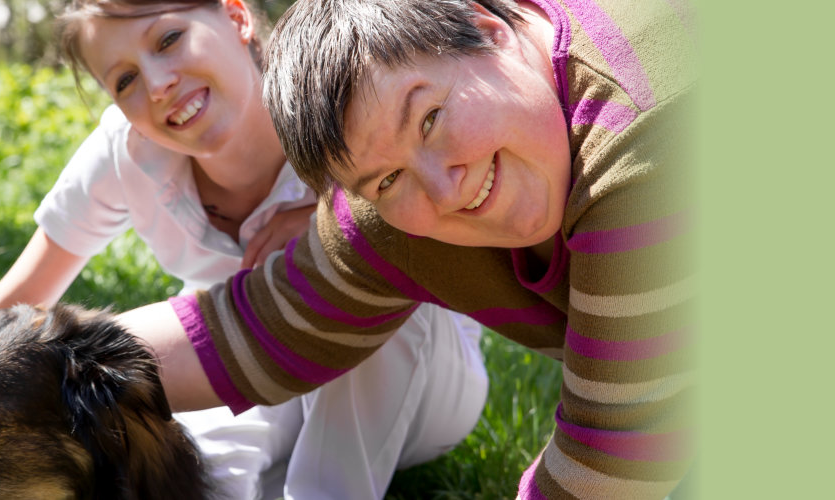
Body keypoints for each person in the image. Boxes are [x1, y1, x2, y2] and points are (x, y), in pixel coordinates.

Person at [112, 0, 695, 497]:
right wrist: (54, 365)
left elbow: (613, 458)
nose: (445, 190)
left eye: (431, 118)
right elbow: (264, 328)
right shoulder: (399, 207)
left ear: (489, 30)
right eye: (386, 180)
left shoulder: (649, 136)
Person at [0, 0, 491, 498]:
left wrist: (337, 225)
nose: (158, 84)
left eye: (168, 39)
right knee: (202, 472)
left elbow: (445, 217)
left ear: (236, 16)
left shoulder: (333, 98)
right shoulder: (126, 153)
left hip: (421, 382)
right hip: (253, 368)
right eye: (125, 80)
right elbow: (16, 301)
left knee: (363, 280)